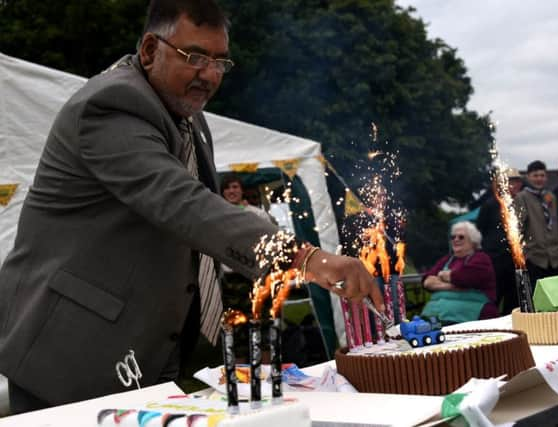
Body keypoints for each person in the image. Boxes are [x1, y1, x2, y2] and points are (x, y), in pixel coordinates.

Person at [0, 0, 382, 414]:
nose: (210, 75)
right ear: (149, 50)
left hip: (148, 349)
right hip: (72, 351)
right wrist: (306, 258)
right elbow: (183, 204)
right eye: (194, 57)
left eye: (220, 61)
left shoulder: (190, 119)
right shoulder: (110, 105)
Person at [420, 221, 498, 325]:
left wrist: (444, 277)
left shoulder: (481, 258)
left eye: (461, 237)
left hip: (465, 318)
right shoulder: (446, 260)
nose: (456, 239)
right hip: (431, 317)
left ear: (473, 241)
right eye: (453, 237)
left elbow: (464, 277)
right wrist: (454, 286)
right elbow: (426, 282)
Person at [476, 167, 523, 315]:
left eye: (515, 182)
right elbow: (480, 229)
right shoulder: (490, 204)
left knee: (515, 298)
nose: (512, 186)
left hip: (515, 259)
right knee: (494, 297)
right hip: (495, 259)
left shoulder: (520, 204)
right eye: (508, 182)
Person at [515, 160, 558, 289]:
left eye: (542, 175)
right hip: (534, 256)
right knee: (538, 296)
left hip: (554, 256)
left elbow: (554, 223)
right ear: (528, 177)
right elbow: (518, 227)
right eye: (535, 176)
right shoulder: (521, 197)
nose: (539, 179)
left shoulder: (551, 197)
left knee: (555, 295)